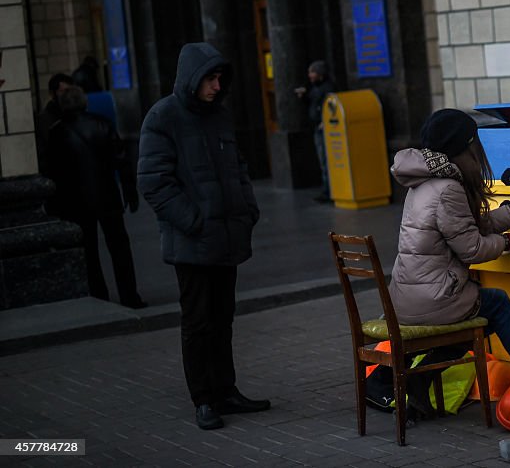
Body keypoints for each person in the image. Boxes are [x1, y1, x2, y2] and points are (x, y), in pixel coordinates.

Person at [137, 42, 268, 431]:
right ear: (192, 78)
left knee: (223, 317)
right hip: (192, 243)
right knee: (198, 322)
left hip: (225, 237)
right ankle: (204, 399)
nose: (216, 86)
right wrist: (193, 221)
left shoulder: (219, 116)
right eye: (210, 79)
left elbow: (238, 168)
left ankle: (226, 390)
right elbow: (154, 182)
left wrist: (247, 209)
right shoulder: (163, 117)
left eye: (219, 79)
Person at [388, 108, 510, 378]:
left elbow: (468, 227)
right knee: (497, 304)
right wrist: (508, 241)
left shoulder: (426, 181)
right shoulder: (449, 187)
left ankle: (415, 383)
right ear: (466, 147)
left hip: (409, 297)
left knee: (477, 321)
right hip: (432, 299)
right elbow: (472, 249)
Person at [44, 85, 146, 308]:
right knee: (119, 247)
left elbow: (51, 170)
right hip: (107, 195)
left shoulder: (56, 132)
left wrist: (54, 204)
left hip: (75, 201)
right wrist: (129, 191)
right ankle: (129, 295)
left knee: (89, 251)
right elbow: (121, 159)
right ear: (84, 102)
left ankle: (99, 296)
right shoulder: (102, 124)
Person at [293, 60, 336, 203]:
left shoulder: (327, 88)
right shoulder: (314, 88)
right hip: (317, 127)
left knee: (326, 159)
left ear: (320, 74)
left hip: (324, 128)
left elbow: (331, 106)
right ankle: (327, 189)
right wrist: (303, 97)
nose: (310, 75)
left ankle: (330, 190)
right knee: (323, 160)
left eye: (313, 72)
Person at [35, 72, 74, 164]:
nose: (67, 96)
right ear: (52, 94)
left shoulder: (75, 114)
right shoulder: (43, 120)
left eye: (70, 91)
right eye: (63, 91)